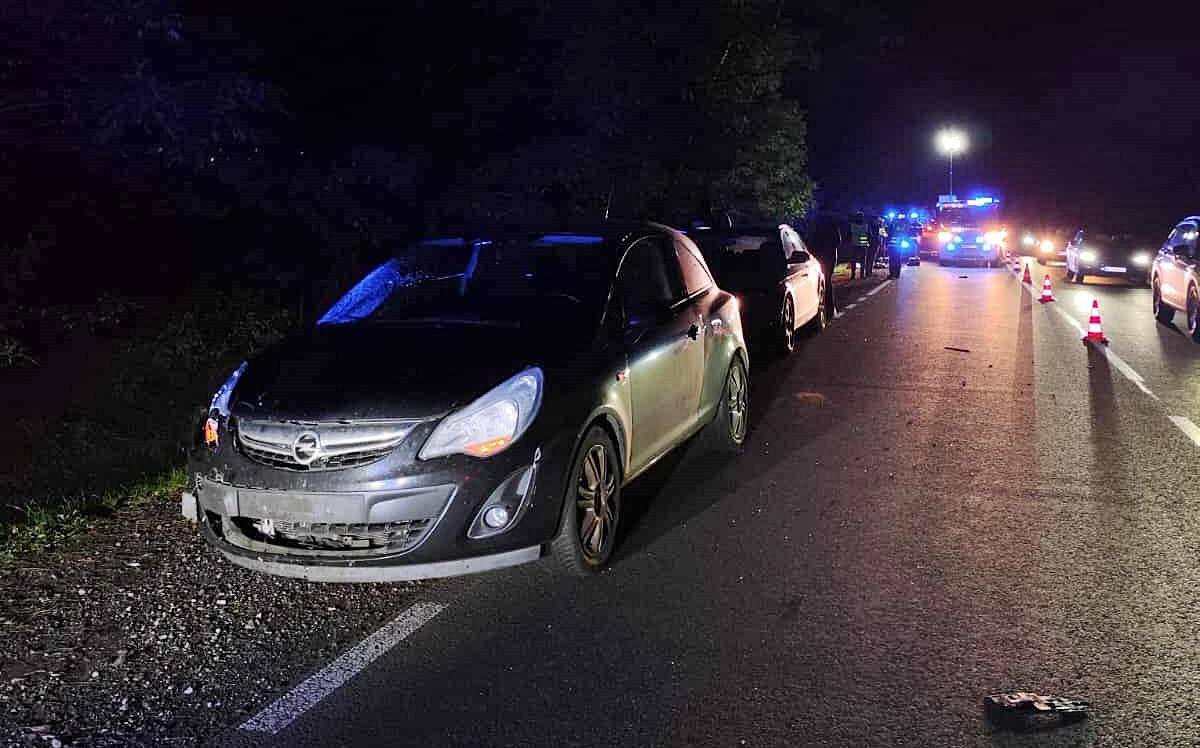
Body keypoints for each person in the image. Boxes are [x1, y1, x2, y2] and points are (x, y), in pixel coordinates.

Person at [809, 214, 842, 315]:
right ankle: (829, 309)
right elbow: (838, 241)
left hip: (820, 257)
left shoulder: (816, 227)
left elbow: (812, 241)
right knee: (826, 281)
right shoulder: (832, 226)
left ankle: (823, 309)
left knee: (822, 281)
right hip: (829, 257)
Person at [846, 211, 870, 279]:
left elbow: (849, 235)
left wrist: (849, 242)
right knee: (862, 261)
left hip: (854, 244)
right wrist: (868, 242)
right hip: (862, 245)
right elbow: (869, 235)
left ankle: (853, 275)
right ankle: (862, 275)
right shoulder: (866, 225)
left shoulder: (852, 225)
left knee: (854, 260)